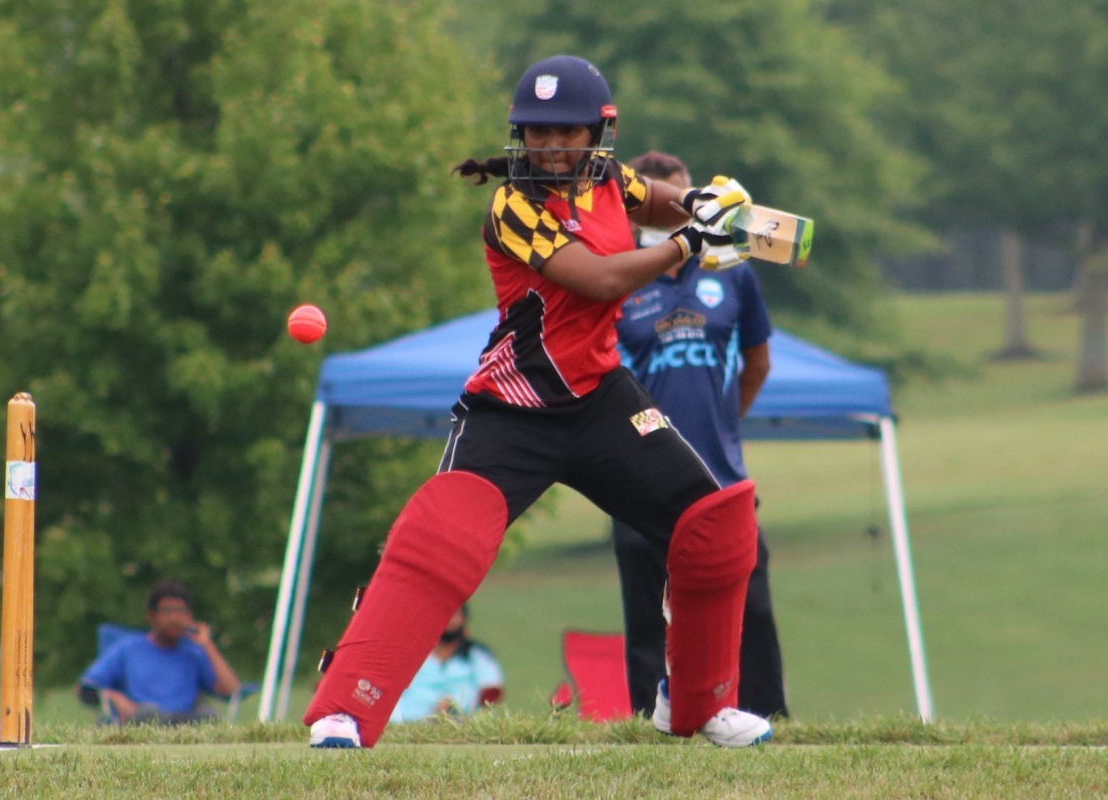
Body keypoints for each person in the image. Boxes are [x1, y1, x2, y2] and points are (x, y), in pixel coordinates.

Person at [304, 54, 772, 750]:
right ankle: (345, 707)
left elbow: (651, 197)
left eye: (565, 132)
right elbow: (602, 279)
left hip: (601, 399)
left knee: (713, 523)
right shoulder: (512, 206)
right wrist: (685, 246)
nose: (550, 146)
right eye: (536, 132)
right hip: (513, 406)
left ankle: (698, 705)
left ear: (598, 133)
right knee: (437, 542)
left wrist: (698, 201)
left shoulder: (609, 177)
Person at [613, 151, 790, 720]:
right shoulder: (619, 274)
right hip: (640, 475)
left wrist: (722, 424)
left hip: (720, 472)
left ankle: (766, 718)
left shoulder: (733, 269)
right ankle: (651, 722)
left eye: (685, 199)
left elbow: (758, 362)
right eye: (663, 202)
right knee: (648, 615)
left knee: (751, 608)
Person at [78, 579, 241, 725]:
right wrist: (114, 696)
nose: (174, 618)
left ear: (190, 616)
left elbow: (231, 692)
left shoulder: (195, 653)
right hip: (142, 721)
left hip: (183, 722)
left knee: (210, 716)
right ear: (151, 616)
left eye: (181, 612)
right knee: (149, 714)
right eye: (167, 611)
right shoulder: (127, 649)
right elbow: (86, 686)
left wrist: (208, 645)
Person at [389, 604, 504, 722]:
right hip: (409, 723)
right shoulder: (409, 652)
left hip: (459, 726)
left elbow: (491, 691)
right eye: (445, 614)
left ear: (463, 619)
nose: (449, 619)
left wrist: (455, 705)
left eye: (455, 614)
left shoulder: (477, 654)